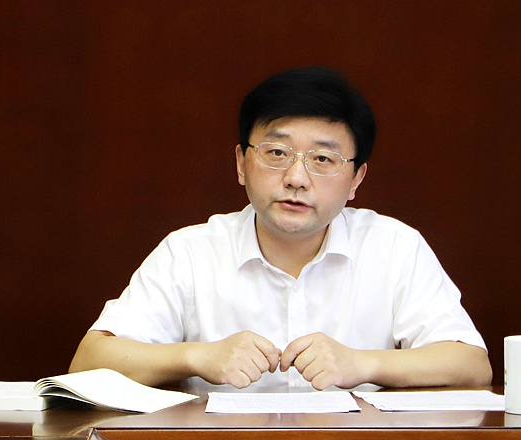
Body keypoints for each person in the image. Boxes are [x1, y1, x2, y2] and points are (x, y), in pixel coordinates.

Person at [69, 66, 492, 391]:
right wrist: (197, 357)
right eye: (276, 152)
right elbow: (88, 363)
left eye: (323, 159)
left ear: (356, 180)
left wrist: (363, 364)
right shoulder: (190, 252)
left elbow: (472, 366)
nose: (296, 178)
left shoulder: (395, 247)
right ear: (241, 163)